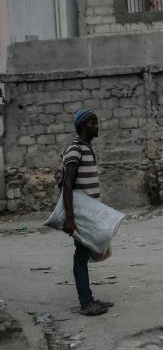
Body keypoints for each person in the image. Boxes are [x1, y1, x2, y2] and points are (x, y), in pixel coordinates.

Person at [62, 110, 114, 316]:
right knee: (81, 256)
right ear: (83, 126)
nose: (97, 126)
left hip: (90, 212)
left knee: (85, 254)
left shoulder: (86, 148)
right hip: (81, 214)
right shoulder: (75, 149)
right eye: (93, 122)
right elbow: (67, 184)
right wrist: (70, 218)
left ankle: (88, 298)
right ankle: (86, 302)